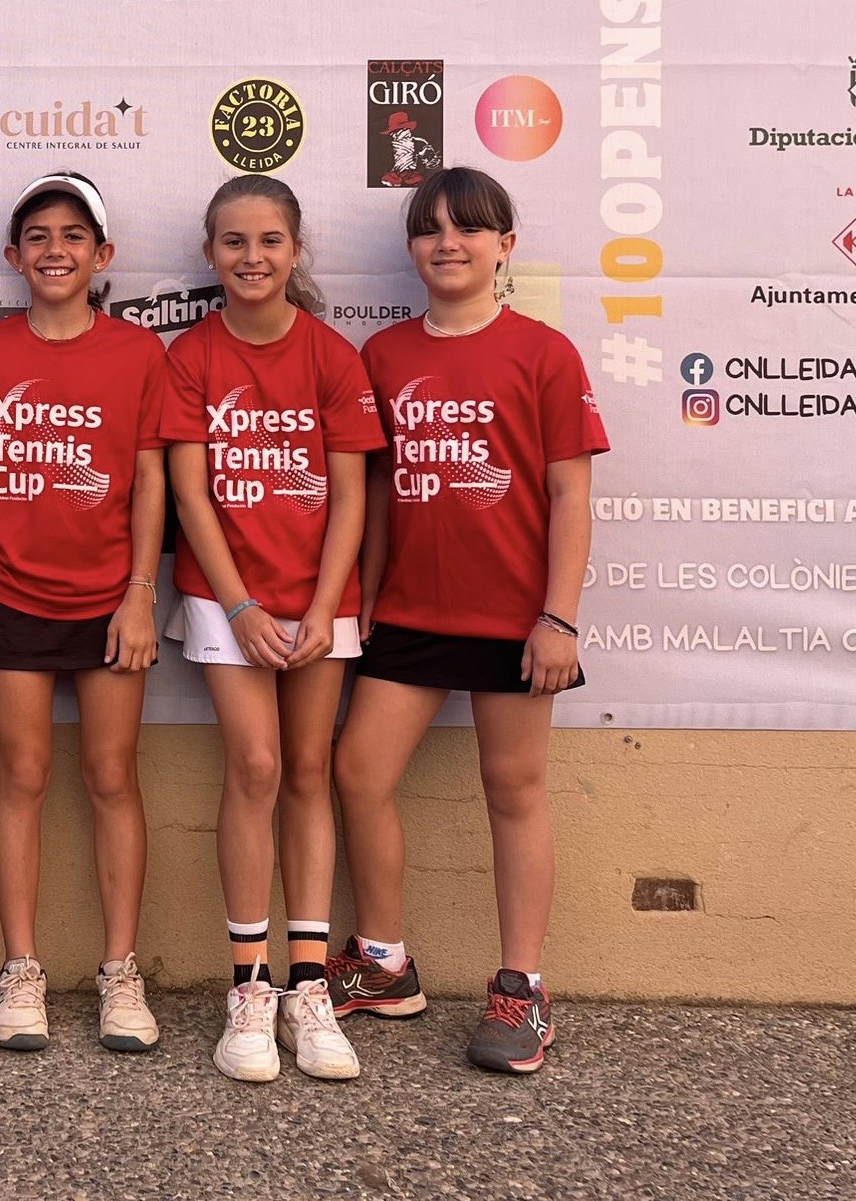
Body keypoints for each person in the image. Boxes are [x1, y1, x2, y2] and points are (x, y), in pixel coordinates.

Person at [328, 166, 608, 1074]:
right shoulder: (383, 356)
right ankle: (383, 962)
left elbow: (570, 495)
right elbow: (374, 489)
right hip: (410, 611)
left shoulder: (544, 354)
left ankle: (522, 989)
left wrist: (558, 617)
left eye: (469, 227)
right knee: (358, 772)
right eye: (429, 228)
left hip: (515, 617)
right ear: (412, 247)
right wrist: (368, 592)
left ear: (504, 246)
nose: (447, 242)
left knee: (513, 788)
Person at [162, 175, 386, 1082]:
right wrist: (242, 606)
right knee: (254, 766)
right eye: (234, 242)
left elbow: (351, 498)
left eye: (268, 241)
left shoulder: (333, 356)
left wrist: (324, 611)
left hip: (323, 598)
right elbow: (189, 494)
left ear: (296, 250)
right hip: (227, 598)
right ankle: (249, 989)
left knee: (307, 770)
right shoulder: (190, 355)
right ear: (210, 253)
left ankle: (309, 988)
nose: (251, 257)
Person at [0, 173, 166, 1055]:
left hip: (111, 603)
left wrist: (140, 593)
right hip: (12, 597)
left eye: (74, 236)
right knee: (22, 775)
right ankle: (21, 970)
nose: (55, 250)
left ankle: (121, 972)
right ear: (13, 256)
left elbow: (149, 478)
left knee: (112, 777)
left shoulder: (138, 354)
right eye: (38, 236)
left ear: (102, 254)